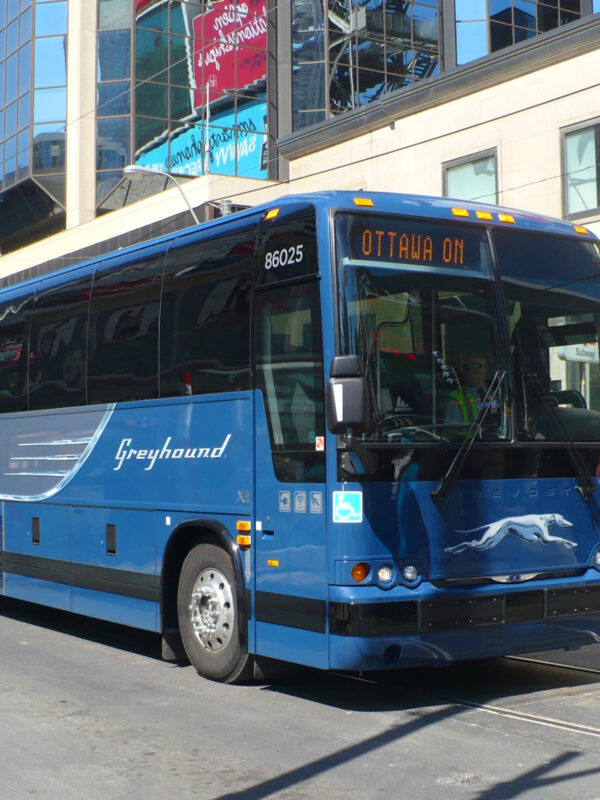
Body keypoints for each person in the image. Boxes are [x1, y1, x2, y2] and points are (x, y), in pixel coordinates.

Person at [444, 353, 490, 424]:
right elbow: (450, 432)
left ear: (487, 369)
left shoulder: (498, 395)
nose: (472, 370)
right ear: (464, 372)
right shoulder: (455, 398)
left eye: (477, 366)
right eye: (467, 367)